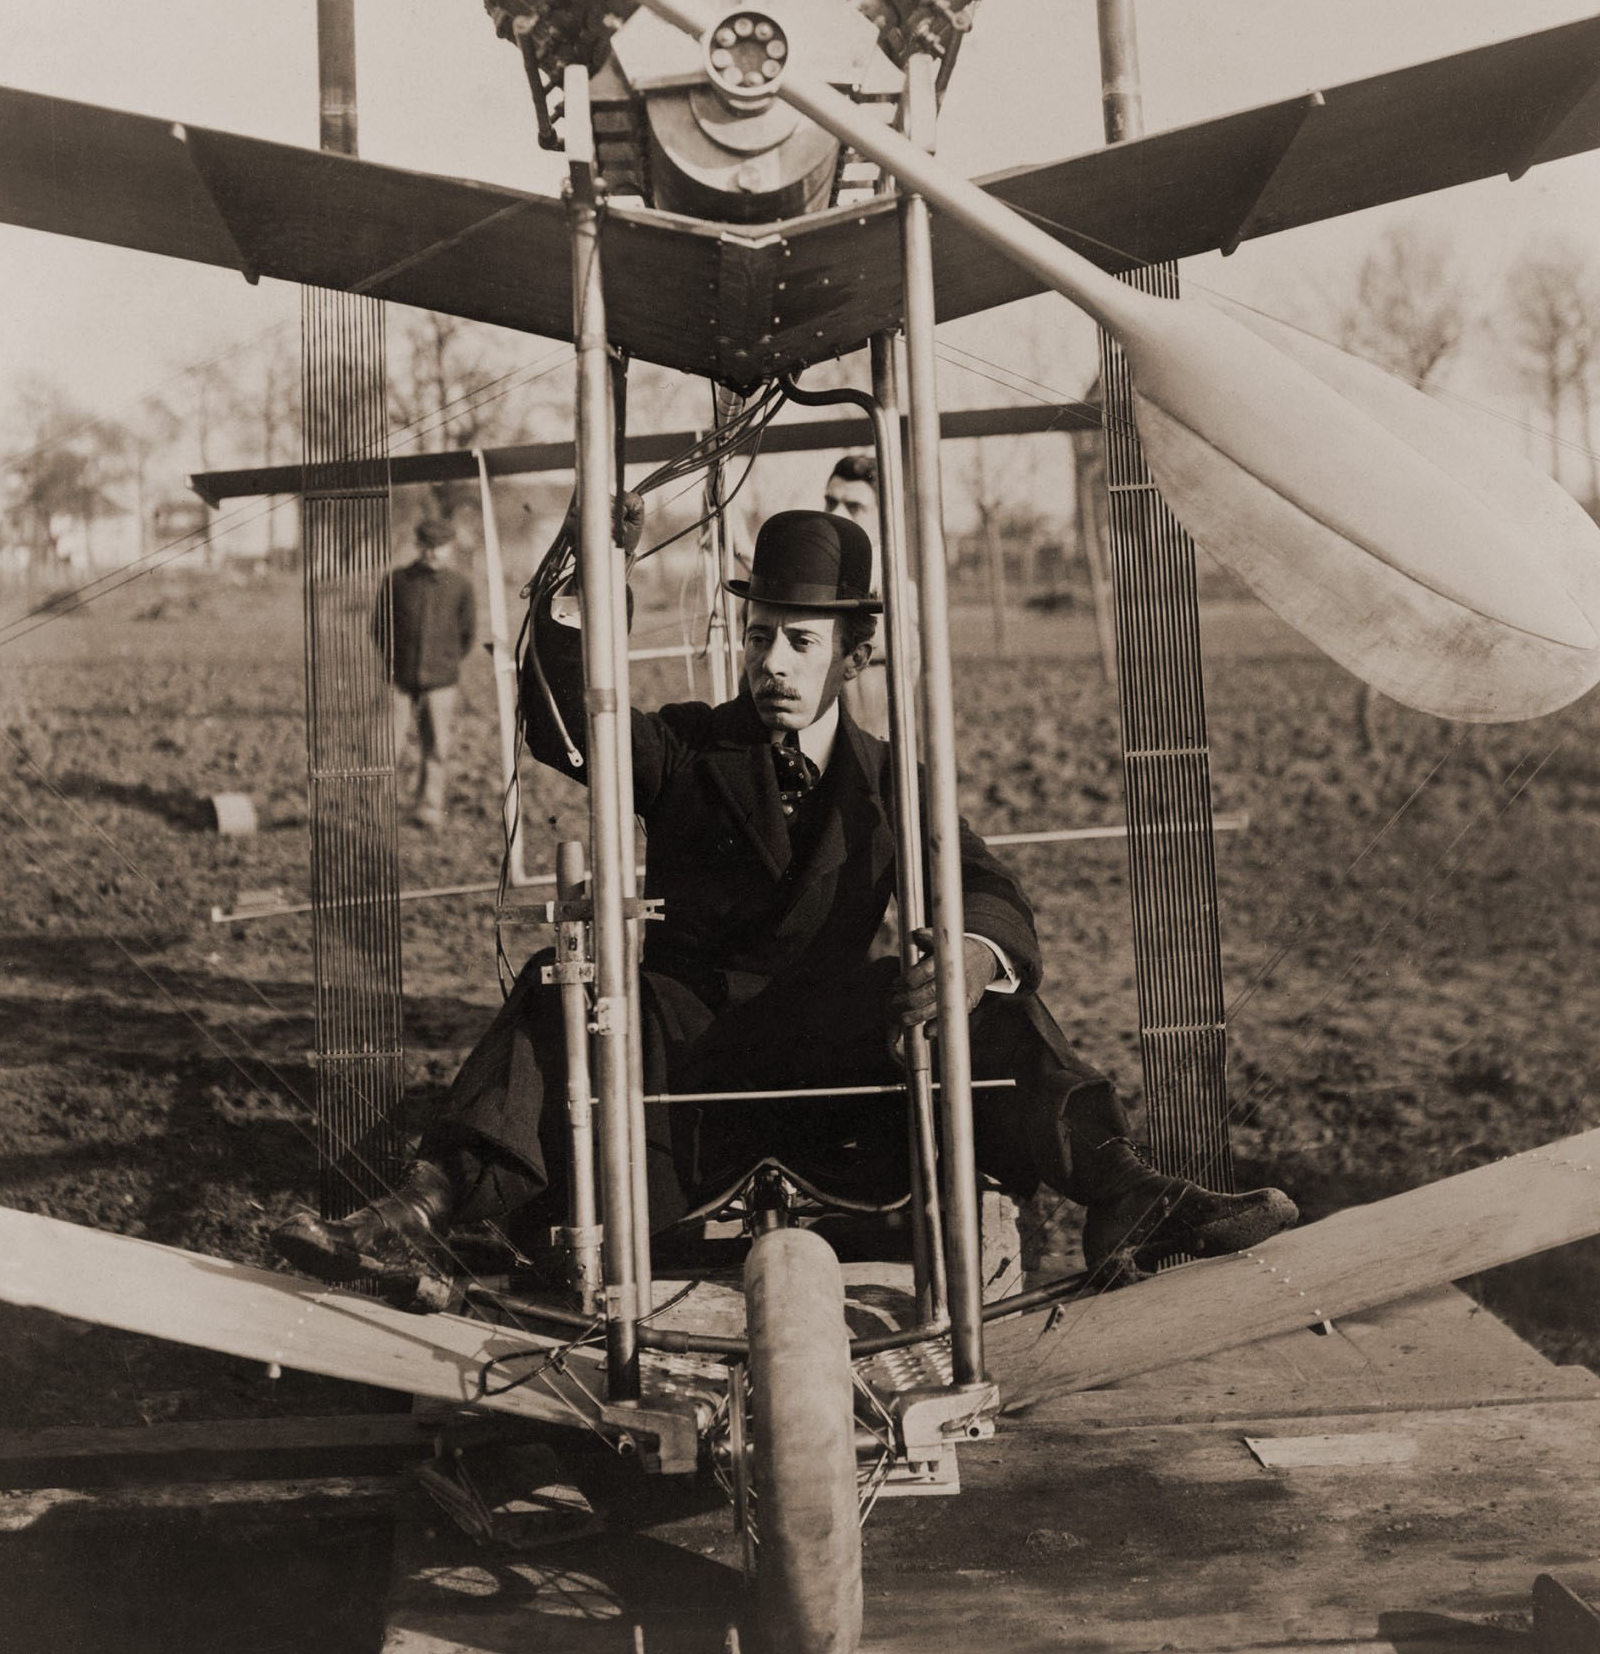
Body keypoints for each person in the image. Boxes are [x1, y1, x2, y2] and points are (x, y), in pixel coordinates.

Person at [275, 508, 1294, 1287]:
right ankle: (421, 1209)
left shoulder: (894, 777)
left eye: (799, 642)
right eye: (760, 635)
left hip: (839, 1066)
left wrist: (972, 959)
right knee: (558, 987)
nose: (770, 663)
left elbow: (984, 882)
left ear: (854, 654)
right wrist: (580, 578)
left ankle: (1124, 1190)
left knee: (979, 1002)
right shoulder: (679, 748)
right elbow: (559, 725)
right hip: (683, 1059)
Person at [374, 517, 476, 830]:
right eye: (426, 546)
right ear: (417, 546)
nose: (432, 553)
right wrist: (394, 662)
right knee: (386, 746)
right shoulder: (396, 581)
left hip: (441, 682)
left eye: (439, 547)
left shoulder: (460, 585)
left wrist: (446, 663)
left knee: (437, 747)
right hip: (400, 680)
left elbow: (467, 634)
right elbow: (380, 626)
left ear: (449, 548)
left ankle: (429, 809)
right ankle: (379, 811)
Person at [822, 453, 890, 736]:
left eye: (854, 506)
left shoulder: (896, 585)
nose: (837, 515)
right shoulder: (827, 571)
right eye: (831, 502)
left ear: (883, 515)